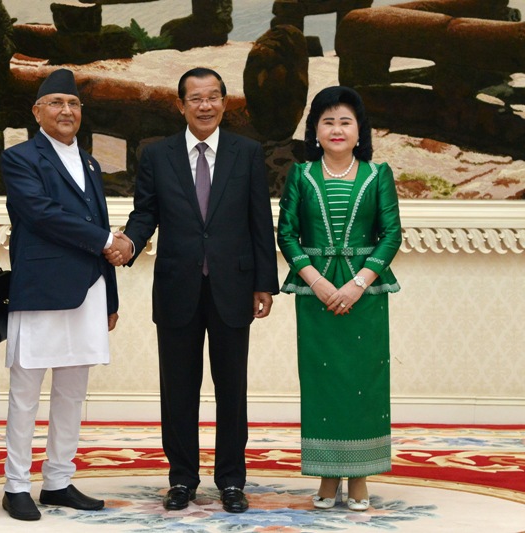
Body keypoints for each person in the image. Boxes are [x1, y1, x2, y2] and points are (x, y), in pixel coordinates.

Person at [112, 67, 279, 513]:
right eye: (195, 98)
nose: (205, 106)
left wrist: (265, 282)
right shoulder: (157, 155)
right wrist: (128, 242)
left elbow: (259, 220)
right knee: (178, 389)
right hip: (176, 286)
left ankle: (231, 480)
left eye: (213, 97)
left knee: (232, 389)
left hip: (234, 286)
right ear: (180, 105)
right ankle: (182, 478)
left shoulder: (246, 153)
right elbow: (145, 213)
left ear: (225, 102)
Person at [0, 68, 127, 522]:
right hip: (40, 290)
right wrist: (106, 239)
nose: (66, 111)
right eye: (56, 103)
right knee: (25, 392)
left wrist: (110, 298)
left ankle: (57, 480)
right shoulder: (20, 158)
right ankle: (15, 485)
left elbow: (98, 226)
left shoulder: (90, 162)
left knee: (73, 393)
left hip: (88, 292)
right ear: (37, 112)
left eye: (73, 104)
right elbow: (40, 213)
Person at [276, 86, 402, 512]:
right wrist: (316, 281)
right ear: (314, 129)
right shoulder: (301, 174)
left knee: (362, 386)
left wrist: (357, 284)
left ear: (359, 129)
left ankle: (361, 476)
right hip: (314, 295)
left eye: (345, 121)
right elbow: (287, 233)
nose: (336, 129)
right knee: (322, 384)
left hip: (365, 296)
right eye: (327, 121)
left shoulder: (377, 174)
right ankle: (328, 476)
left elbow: (391, 234)